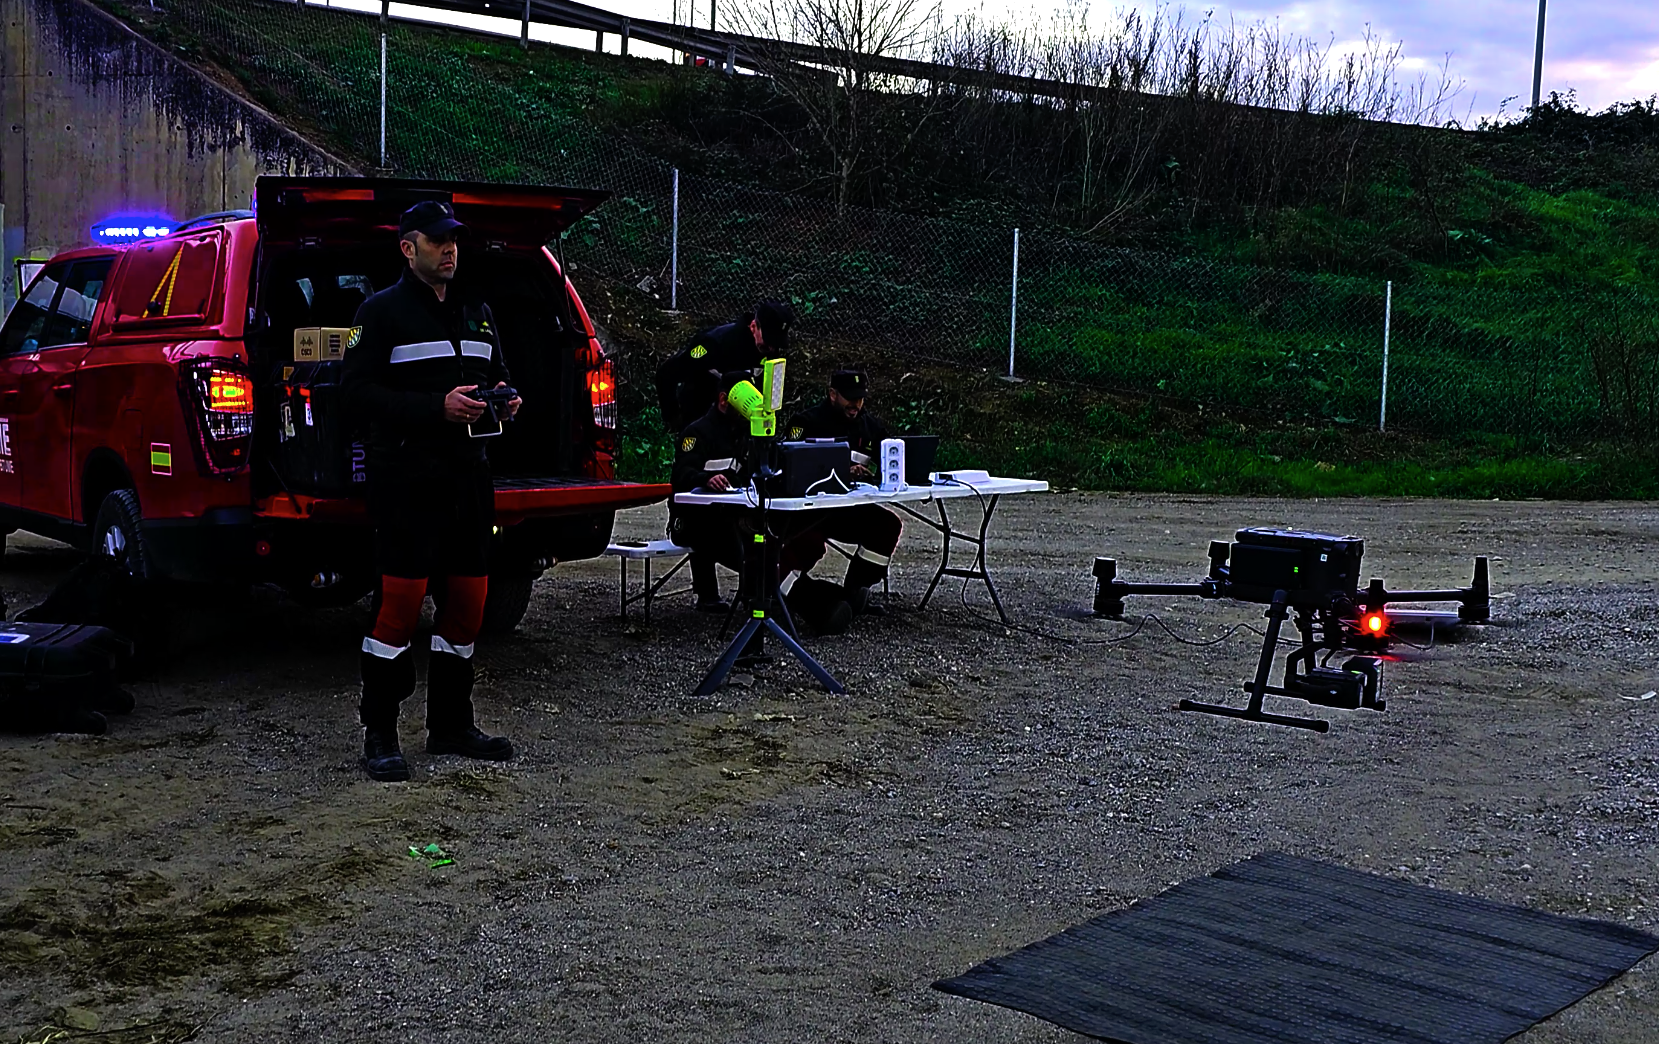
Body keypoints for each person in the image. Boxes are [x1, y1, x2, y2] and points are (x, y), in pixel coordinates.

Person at [341, 200, 522, 783]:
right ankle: (381, 732)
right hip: (407, 479)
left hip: (469, 477)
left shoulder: (477, 310)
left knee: (468, 605)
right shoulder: (381, 313)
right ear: (407, 248)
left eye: (454, 240)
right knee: (398, 608)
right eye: (438, 240)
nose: (449, 249)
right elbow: (354, 395)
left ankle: (450, 723)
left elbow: (497, 375)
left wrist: (504, 398)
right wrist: (432, 408)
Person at [670, 371, 853, 636]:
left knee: (791, 539)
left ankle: (822, 597)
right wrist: (706, 478)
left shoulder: (748, 432)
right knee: (757, 553)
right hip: (701, 521)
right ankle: (816, 604)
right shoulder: (697, 433)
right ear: (724, 401)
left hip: (739, 514)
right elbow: (680, 477)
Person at [655, 301, 793, 611]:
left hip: (740, 431)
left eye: (776, 344)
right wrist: (676, 421)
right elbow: (667, 374)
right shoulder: (716, 344)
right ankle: (708, 591)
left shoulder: (771, 353)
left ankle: (756, 593)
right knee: (700, 500)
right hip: (703, 427)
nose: (770, 348)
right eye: (767, 340)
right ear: (753, 326)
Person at [783, 368, 903, 615]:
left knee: (887, 525)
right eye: (849, 398)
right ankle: (789, 594)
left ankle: (856, 591)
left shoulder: (870, 426)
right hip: (810, 512)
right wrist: (841, 470)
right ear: (832, 394)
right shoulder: (806, 422)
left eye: (860, 398)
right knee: (810, 544)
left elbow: (892, 459)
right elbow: (787, 468)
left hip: (848, 509)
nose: (855, 404)